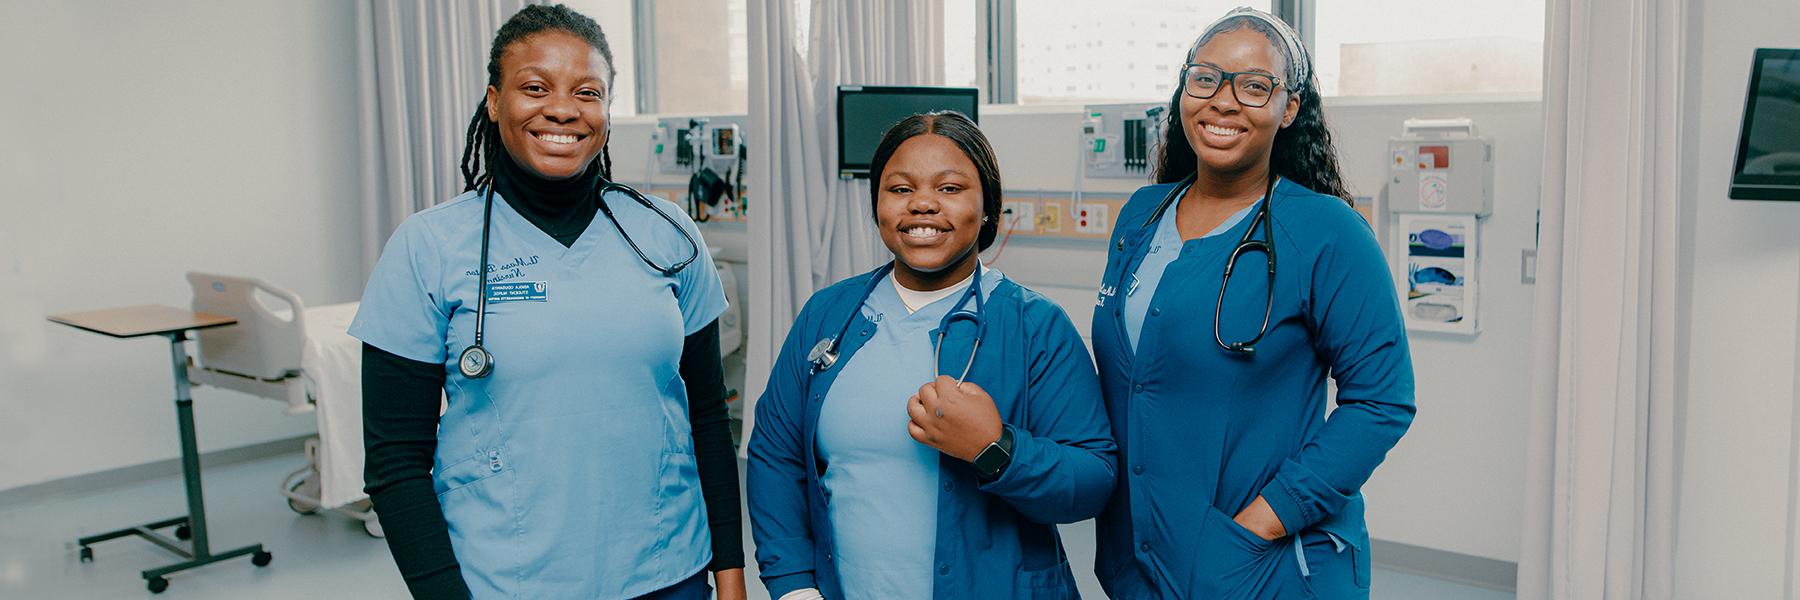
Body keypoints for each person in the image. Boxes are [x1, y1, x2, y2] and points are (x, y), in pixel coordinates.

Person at [350, 5, 745, 599]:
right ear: (493, 100)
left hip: (670, 569)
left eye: (588, 91)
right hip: (506, 580)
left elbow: (708, 417)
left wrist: (730, 572)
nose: (562, 109)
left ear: (607, 111)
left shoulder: (668, 235)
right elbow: (395, 463)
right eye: (535, 87)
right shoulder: (429, 246)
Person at [1089, 8, 1416, 599]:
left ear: (1289, 108)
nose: (1223, 100)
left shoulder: (1326, 232)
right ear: (1185, 89)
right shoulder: (1141, 214)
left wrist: (1264, 521)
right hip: (1137, 557)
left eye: (1254, 85)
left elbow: (1382, 401)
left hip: (1261, 565)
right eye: (1206, 78)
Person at [747, 111, 1116, 600]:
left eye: (949, 189)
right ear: (877, 204)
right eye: (900, 189)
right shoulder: (828, 314)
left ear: (987, 208)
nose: (922, 204)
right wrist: (793, 585)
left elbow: (1093, 479)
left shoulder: (1033, 325)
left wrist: (995, 449)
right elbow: (776, 454)